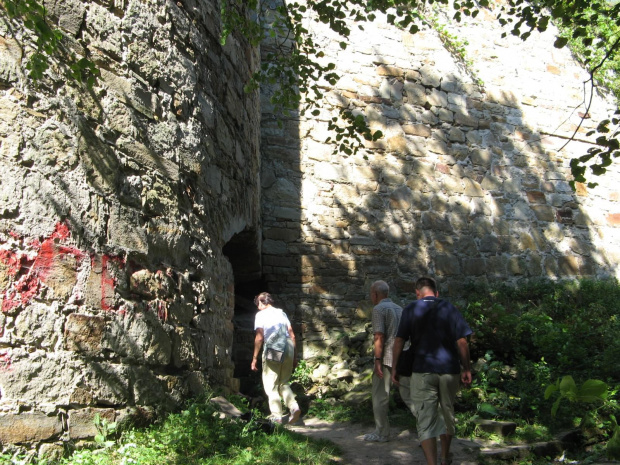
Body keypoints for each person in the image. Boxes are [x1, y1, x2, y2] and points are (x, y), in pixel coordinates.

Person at [391, 277, 473, 465]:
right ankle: (445, 457)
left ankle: (432, 463)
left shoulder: (411, 309)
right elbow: (462, 341)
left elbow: (399, 341)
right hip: (450, 370)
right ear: (436, 293)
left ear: (417, 293)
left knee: (425, 418)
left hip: (422, 370)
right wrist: (466, 368)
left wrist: (395, 367)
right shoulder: (449, 308)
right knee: (447, 413)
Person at [364, 280, 407, 442]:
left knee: (380, 396)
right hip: (403, 356)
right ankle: (430, 431)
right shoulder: (399, 309)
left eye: (371, 293)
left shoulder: (378, 309)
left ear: (375, 294)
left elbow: (379, 335)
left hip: (387, 358)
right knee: (411, 396)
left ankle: (381, 432)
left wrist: (377, 360)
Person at [251, 292, 302, 425]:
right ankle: (294, 407)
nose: (257, 308)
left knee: (271, 385)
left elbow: (260, 337)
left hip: (274, 347)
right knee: (283, 383)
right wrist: (295, 356)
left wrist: (254, 358)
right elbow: (292, 335)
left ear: (262, 302)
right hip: (289, 346)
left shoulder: (261, 315)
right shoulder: (281, 313)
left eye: (258, 304)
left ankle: (276, 416)